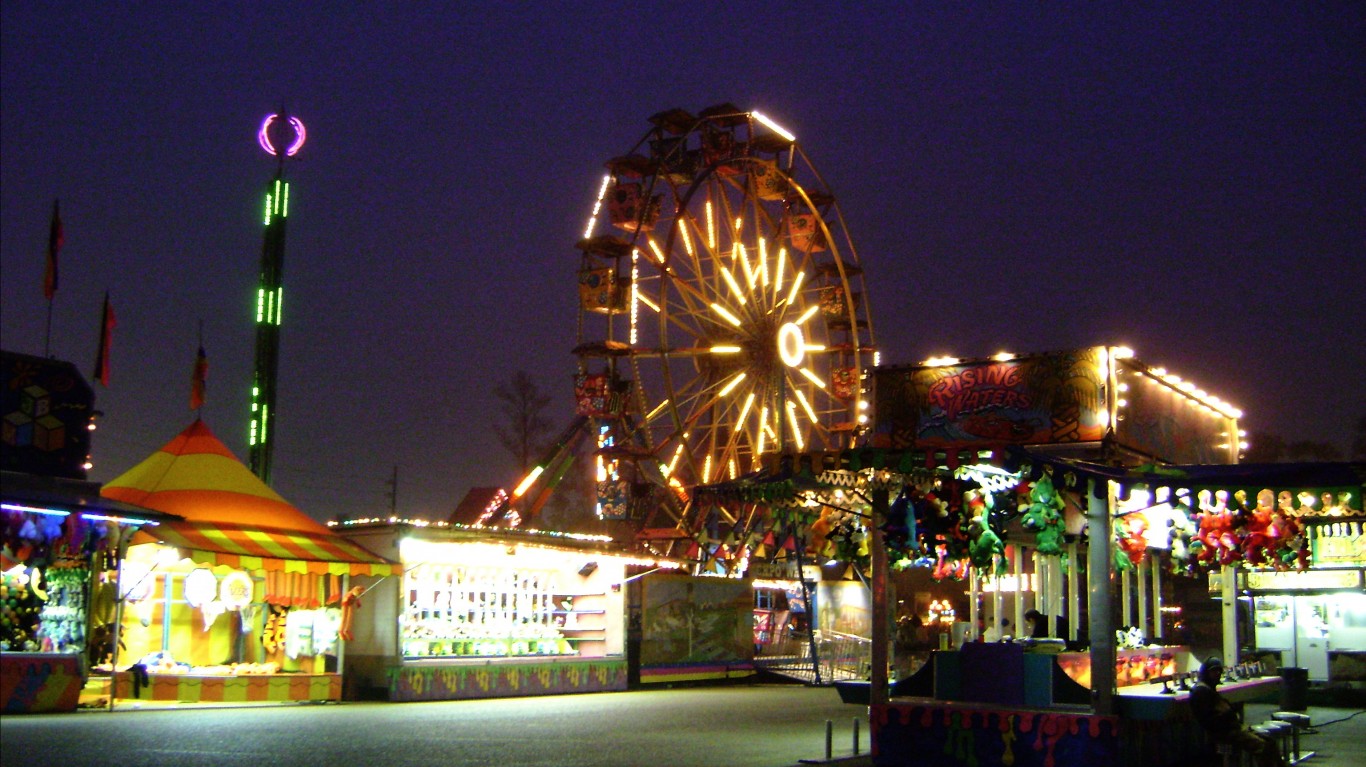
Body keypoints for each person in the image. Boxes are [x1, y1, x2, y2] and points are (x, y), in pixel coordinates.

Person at [1188, 656, 1285, 767]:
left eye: (1219, 670)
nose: (1218, 673)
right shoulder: (1201, 691)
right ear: (1206, 672)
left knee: (1270, 742)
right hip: (1225, 733)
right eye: (1214, 671)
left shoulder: (1207, 688)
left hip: (1232, 729)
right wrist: (1229, 716)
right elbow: (1210, 720)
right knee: (1261, 746)